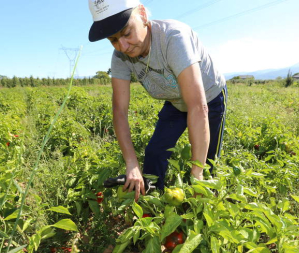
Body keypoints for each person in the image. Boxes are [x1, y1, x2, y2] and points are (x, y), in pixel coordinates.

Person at [88, 0, 227, 201]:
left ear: (143, 15)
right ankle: (153, 203)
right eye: (113, 40)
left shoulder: (173, 37)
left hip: (209, 98)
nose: (123, 46)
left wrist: (196, 174)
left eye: (127, 33)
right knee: (155, 152)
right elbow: (119, 111)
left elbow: (198, 106)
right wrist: (132, 164)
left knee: (207, 162)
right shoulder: (120, 57)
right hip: (175, 102)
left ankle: (205, 209)